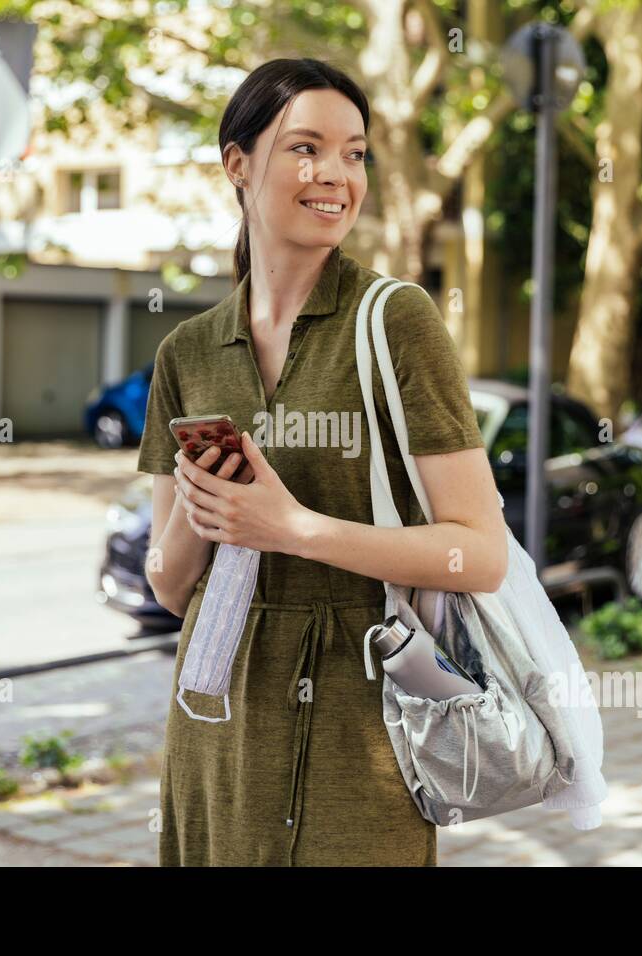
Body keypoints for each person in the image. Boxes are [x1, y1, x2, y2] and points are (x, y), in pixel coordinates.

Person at [135, 57, 509, 866]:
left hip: (363, 729)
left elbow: (478, 554)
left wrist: (294, 527)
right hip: (217, 723)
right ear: (238, 163)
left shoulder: (395, 322)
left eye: (354, 152)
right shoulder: (187, 353)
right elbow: (167, 583)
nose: (335, 174)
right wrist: (217, 507)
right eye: (306, 147)